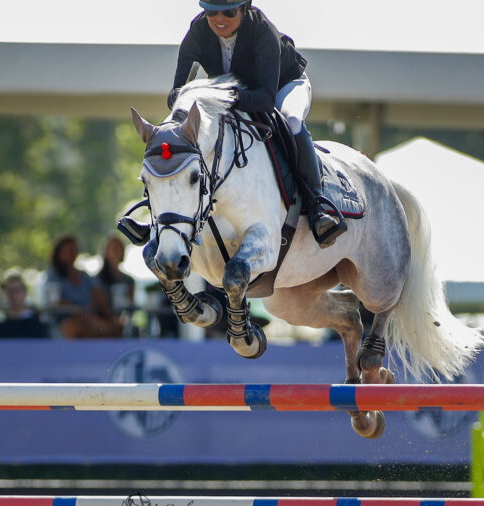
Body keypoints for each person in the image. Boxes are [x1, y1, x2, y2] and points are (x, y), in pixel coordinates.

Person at [169, 0, 340, 247]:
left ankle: (317, 206)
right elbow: (177, 89)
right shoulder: (198, 31)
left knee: (291, 121)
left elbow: (265, 100)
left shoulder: (262, 31)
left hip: (283, 86)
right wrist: (180, 99)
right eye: (211, 11)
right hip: (235, 95)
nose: (219, 18)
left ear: (243, 8)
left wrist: (224, 97)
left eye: (228, 11)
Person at [43, 236, 122, 338]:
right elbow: (53, 302)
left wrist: (109, 315)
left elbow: (98, 295)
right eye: (68, 250)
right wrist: (77, 309)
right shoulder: (52, 275)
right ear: (59, 252)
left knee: (115, 328)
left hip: (90, 318)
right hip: (64, 321)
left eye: (74, 249)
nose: (72, 253)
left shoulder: (84, 276)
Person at [0, 274, 49, 339]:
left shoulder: (39, 325)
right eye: (10, 291)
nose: (14, 295)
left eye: (17, 290)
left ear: (25, 292)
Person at [96, 236, 135, 332]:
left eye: (119, 248)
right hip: (102, 321)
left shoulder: (129, 280)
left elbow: (130, 306)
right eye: (114, 248)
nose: (117, 251)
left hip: (122, 323)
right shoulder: (96, 280)